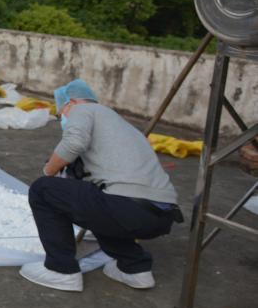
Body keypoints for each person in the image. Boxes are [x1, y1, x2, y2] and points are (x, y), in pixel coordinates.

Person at [20, 79, 183, 292]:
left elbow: (73, 143)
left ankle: (61, 270)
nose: (63, 119)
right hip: (161, 215)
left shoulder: (83, 110)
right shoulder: (122, 126)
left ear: (70, 102)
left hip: (127, 207)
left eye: (61, 114)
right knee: (97, 202)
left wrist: (48, 171)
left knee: (43, 189)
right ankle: (135, 268)